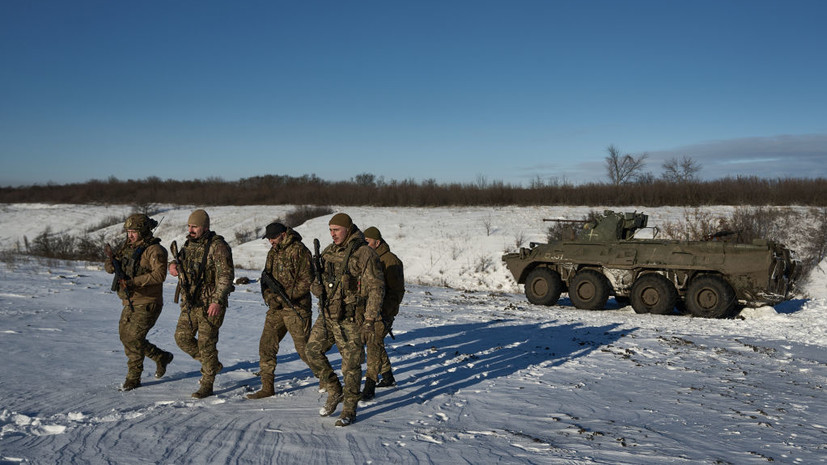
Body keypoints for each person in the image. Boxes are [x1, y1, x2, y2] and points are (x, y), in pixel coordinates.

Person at [306, 213, 385, 426]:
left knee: (350, 366)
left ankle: (349, 409)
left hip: (352, 318)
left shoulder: (364, 253)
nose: (333, 234)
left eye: (337, 230)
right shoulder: (329, 251)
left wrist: (369, 319)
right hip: (328, 314)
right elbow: (317, 278)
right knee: (311, 351)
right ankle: (335, 390)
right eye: (330, 230)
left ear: (348, 229)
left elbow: (377, 288)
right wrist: (316, 287)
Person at [169, 209, 235, 399]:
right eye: (189, 226)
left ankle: (207, 383)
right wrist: (172, 266)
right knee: (182, 338)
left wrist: (217, 301)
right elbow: (180, 262)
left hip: (210, 304)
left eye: (194, 226)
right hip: (190, 303)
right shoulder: (188, 244)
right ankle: (211, 364)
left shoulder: (218, 246)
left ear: (205, 227)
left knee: (207, 344)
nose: (190, 230)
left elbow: (226, 276)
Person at [104, 213, 174, 391]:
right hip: (129, 301)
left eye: (134, 231)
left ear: (143, 231)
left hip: (148, 301)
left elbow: (160, 275)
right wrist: (111, 265)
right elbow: (111, 265)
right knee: (126, 337)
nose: (130, 235)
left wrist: (133, 282)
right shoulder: (127, 247)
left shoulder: (155, 250)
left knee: (133, 338)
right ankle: (160, 356)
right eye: (128, 231)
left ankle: (133, 377)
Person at [247, 222, 315, 399]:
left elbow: (307, 280)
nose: (271, 242)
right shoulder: (273, 252)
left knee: (305, 349)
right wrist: (269, 297)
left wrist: (285, 297)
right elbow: (265, 277)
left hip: (296, 308)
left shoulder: (300, 250)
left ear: (284, 234)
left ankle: (327, 379)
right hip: (276, 309)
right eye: (269, 239)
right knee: (266, 346)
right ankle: (267, 387)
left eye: (273, 238)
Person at [360, 226, 405, 400]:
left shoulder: (390, 260)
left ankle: (370, 385)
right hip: (371, 310)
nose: (365, 245)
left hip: (383, 312)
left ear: (377, 243)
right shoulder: (369, 258)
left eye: (368, 242)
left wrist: (385, 312)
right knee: (375, 343)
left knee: (373, 345)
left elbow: (397, 291)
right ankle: (388, 377)